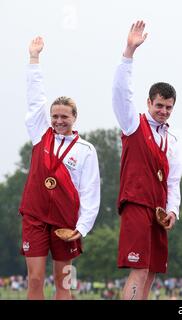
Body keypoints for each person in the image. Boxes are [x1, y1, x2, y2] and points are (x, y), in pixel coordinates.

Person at [19, 37, 101, 300]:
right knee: (34, 279)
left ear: (74, 118)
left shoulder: (85, 150)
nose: (58, 121)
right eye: (55, 116)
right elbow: (35, 99)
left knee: (64, 284)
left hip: (65, 222)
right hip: (35, 217)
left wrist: (83, 226)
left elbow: (90, 191)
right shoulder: (40, 135)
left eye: (64, 116)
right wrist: (34, 59)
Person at [112, 20, 181, 300]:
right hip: (137, 204)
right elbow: (120, 94)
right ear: (148, 103)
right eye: (159, 105)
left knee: (151, 271)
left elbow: (173, 181)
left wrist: (173, 211)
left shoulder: (173, 140)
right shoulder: (132, 124)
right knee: (139, 269)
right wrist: (129, 52)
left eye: (168, 107)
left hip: (158, 212)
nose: (163, 111)